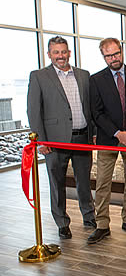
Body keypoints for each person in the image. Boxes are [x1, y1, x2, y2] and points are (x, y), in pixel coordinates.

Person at [27, 36, 96, 239]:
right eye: (56, 52)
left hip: (82, 136)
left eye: (63, 52)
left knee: (84, 181)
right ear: (49, 54)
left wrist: (93, 133)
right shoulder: (39, 76)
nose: (60, 56)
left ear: (69, 53)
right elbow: (33, 110)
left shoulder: (83, 75)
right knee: (57, 183)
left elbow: (90, 106)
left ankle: (89, 215)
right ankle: (62, 222)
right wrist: (40, 140)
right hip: (55, 141)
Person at [87, 38, 126, 244]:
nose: (114, 58)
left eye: (116, 54)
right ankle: (102, 224)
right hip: (108, 138)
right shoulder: (96, 80)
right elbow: (97, 113)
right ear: (103, 57)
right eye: (109, 55)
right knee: (102, 182)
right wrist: (117, 133)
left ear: (122, 51)